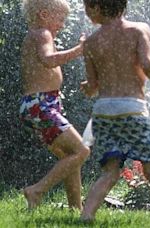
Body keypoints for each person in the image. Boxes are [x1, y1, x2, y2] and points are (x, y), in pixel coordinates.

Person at [80, 0, 150, 222]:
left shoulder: (91, 42)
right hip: (131, 109)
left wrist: (87, 87)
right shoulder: (138, 29)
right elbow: (147, 64)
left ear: (97, 7)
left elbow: (93, 87)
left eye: (87, 6)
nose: (86, 11)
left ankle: (87, 215)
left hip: (103, 111)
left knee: (110, 171)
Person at [19, 0, 90, 210]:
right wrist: (79, 50)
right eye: (60, 19)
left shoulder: (36, 35)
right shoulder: (42, 34)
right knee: (82, 151)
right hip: (40, 104)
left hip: (40, 105)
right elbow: (49, 60)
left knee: (71, 156)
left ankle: (75, 209)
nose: (62, 24)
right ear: (44, 14)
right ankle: (37, 190)